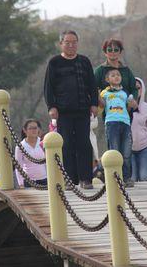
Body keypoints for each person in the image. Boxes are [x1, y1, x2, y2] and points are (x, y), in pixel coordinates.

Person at [44, 30, 98, 189]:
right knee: (66, 145)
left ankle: (86, 179)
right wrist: (51, 106)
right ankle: (69, 179)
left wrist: (94, 103)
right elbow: (48, 87)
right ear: (61, 44)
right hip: (63, 111)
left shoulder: (84, 61)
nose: (71, 45)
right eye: (67, 42)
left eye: (74, 42)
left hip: (82, 109)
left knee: (84, 144)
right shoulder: (54, 62)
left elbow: (92, 85)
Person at [99, 69, 137, 187]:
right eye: (113, 75)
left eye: (118, 75)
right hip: (111, 122)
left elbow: (131, 107)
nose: (116, 77)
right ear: (107, 79)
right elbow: (101, 105)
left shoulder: (124, 93)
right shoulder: (104, 93)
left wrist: (133, 104)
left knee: (126, 152)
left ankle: (126, 177)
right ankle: (115, 177)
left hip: (125, 122)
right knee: (114, 150)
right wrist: (97, 95)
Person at [94, 38, 138, 108]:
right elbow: (93, 88)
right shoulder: (100, 71)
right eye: (110, 50)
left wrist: (133, 101)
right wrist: (100, 101)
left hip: (126, 112)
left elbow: (134, 89)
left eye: (116, 50)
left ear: (120, 52)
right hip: (107, 113)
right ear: (105, 52)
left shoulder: (126, 70)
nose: (113, 52)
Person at [15, 119, 47, 188]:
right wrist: (21, 184)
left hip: (44, 180)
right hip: (28, 181)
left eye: (35, 128)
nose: (34, 130)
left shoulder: (43, 142)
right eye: (30, 128)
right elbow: (18, 166)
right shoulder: (20, 146)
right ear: (25, 130)